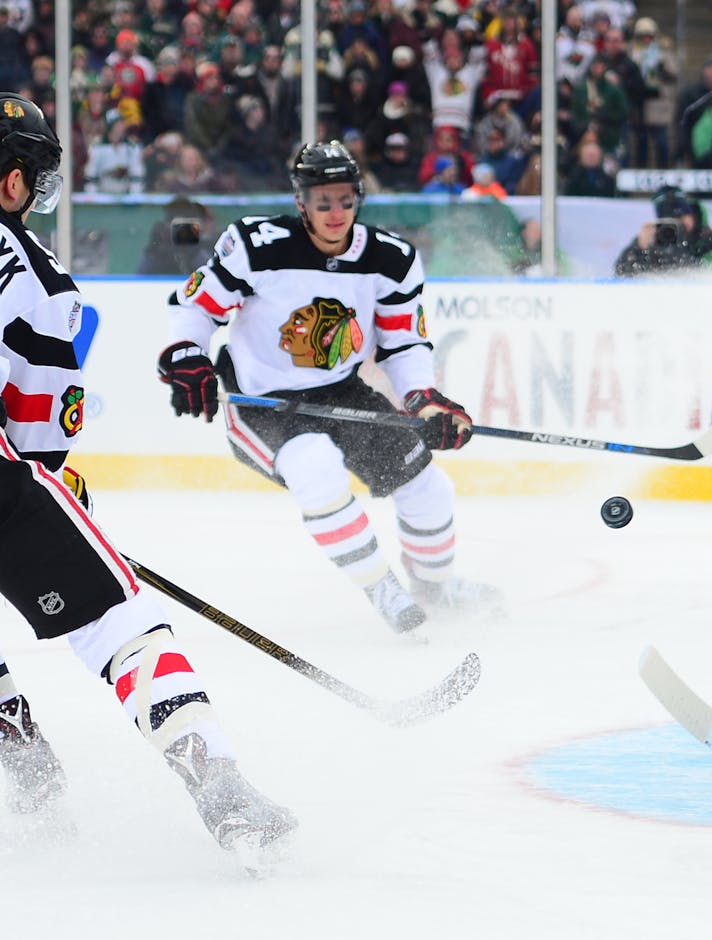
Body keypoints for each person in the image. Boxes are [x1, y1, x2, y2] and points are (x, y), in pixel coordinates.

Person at [0, 92, 295, 862]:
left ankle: (29, 772)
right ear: (11, 184)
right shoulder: (36, 276)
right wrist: (51, 490)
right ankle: (222, 789)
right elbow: (34, 433)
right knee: (115, 623)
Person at [159, 141, 498, 634]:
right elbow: (194, 306)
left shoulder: (391, 259)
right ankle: (381, 586)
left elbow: (403, 344)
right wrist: (187, 356)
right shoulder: (256, 245)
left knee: (428, 486)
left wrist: (424, 400)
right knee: (315, 466)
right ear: (301, 203)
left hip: (340, 392)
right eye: (323, 202)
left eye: (345, 200)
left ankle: (436, 587)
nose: (335, 212)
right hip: (262, 402)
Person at [613, 186, 712, 277]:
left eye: (681, 218)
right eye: (669, 222)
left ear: (691, 216)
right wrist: (638, 248)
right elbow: (621, 273)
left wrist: (676, 255)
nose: (675, 227)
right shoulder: (655, 239)